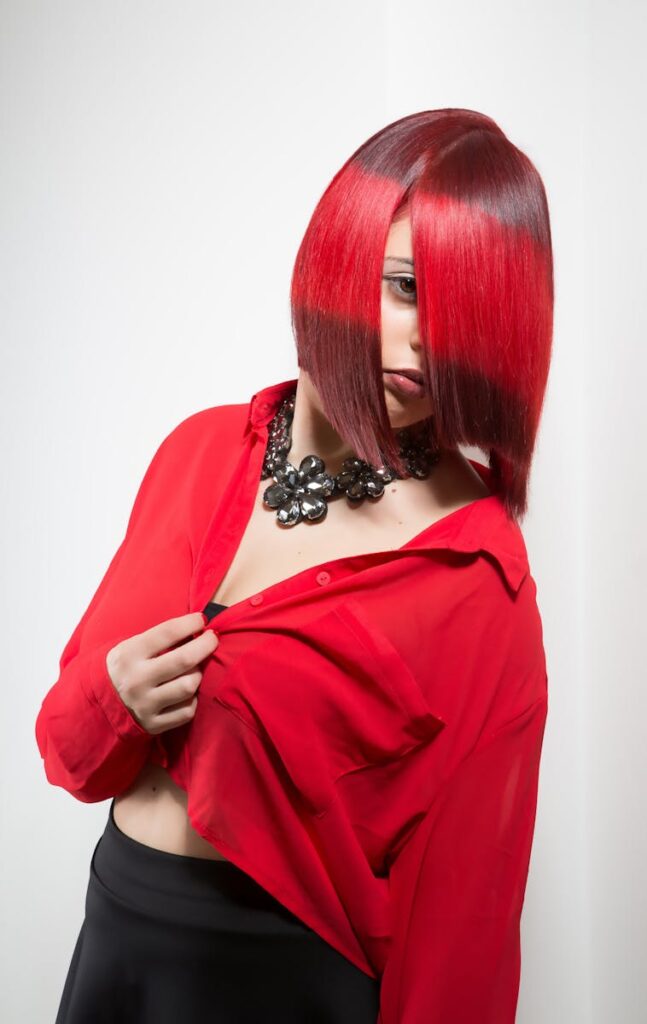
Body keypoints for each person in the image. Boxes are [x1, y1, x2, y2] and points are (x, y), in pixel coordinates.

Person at [36, 108, 553, 1023]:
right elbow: (72, 757)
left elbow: (464, 929)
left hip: (279, 986)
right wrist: (114, 694)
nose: (428, 340)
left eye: (466, 313)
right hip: (115, 941)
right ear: (337, 253)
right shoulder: (197, 453)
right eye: (403, 286)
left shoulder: (476, 581)